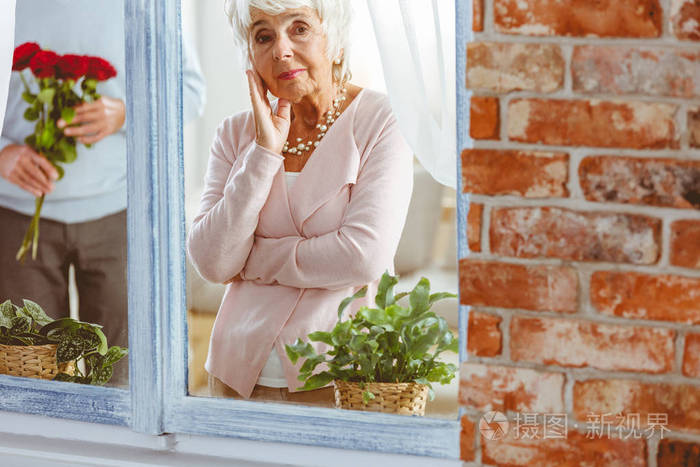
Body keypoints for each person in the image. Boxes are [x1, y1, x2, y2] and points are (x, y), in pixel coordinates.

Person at [187, 0, 413, 407]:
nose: (281, 50)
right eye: (263, 36)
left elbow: (363, 256)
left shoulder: (382, 120)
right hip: (234, 378)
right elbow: (211, 262)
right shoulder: (234, 134)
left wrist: (253, 261)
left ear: (334, 36)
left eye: (300, 29)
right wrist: (263, 152)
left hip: (343, 375)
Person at [0, 0, 206, 388]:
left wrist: (127, 112)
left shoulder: (145, 5)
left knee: (125, 379)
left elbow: (191, 91)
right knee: (27, 379)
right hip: (15, 219)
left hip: (121, 213)